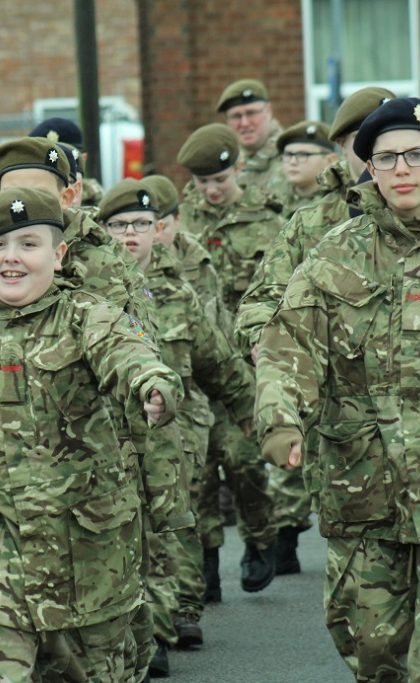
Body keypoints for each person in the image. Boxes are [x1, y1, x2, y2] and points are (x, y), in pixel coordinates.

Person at [255, 96, 420, 682]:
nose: (403, 169)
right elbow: (288, 346)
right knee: (376, 654)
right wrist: (279, 420)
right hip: (364, 488)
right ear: (369, 170)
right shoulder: (335, 254)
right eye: (387, 158)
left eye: (417, 154)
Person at [0, 186, 183, 681]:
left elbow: (130, 355)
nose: (12, 259)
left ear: (57, 255)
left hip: (84, 545)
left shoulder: (88, 316)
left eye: (28, 245)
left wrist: (154, 387)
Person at [235, 87, 394, 576]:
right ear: (341, 151)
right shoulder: (312, 225)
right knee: (366, 617)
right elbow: (260, 301)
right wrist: (269, 340)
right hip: (345, 421)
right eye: (360, 147)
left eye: (387, 146)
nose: (374, 161)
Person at [99, 179, 256, 673]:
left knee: (165, 531)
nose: (130, 235)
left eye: (141, 225)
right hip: (107, 438)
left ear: (158, 229)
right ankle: (126, 628)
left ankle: (161, 630)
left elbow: (218, 361)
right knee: (119, 533)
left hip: (175, 436)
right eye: (120, 225)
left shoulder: (179, 293)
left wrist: (255, 412)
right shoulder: (86, 294)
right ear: (102, 231)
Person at [177, 123, 282, 599]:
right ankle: (207, 564)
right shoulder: (177, 221)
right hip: (193, 366)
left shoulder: (268, 218)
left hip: (243, 362)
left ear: (237, 168)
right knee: (196, 471)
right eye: (202, 183)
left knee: (243, 462)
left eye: (219, 180)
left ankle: (260, 539)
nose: (211, 191)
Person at [216, 78, 291, 203]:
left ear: (268, 111)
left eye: (251, 113)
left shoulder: (292, 158)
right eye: (236, 116)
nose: (244, 123)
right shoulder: (225, 163)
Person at [29, 117, 103, 207]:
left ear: (83, 159)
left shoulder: (104, 207)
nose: (57, 166)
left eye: (67, 158)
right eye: (44, 159)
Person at [277, 120, 338, 218]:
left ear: (330, 160)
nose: (293, 162)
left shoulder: (341, 202)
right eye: (288, 155)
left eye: (303, 154)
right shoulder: (274, 199)